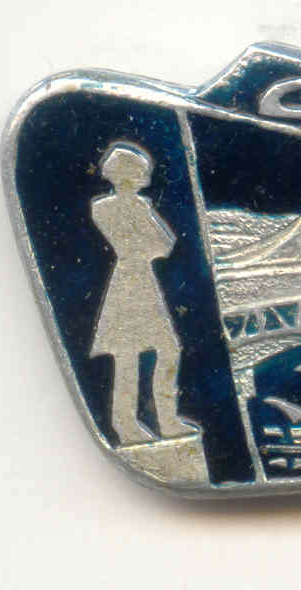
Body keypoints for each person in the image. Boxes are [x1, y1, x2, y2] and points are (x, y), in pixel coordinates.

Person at [90, 142, 196, 445]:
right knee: (128, 354)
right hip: (129, 281)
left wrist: (144, 220)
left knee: (165, 349)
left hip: (142, 280)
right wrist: (143, 226)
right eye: (140, 172)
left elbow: (164, 244)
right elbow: (153, 245)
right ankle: (126, 423)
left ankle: (164, 420)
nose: (145, 177)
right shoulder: (105, 208)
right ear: (126, 175)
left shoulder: (139, 206)